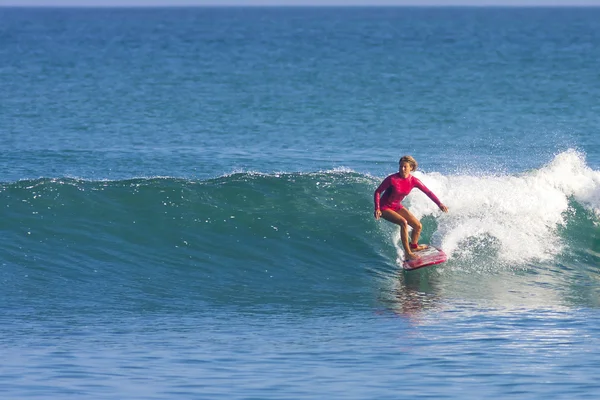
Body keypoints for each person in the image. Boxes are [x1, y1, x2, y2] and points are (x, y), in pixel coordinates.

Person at [374, 155, 448, 260]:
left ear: (411, 168)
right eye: (400, 166)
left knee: (417, 226)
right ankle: (408, 253)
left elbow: (428, 192)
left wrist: (439, 204)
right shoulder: (392, 179)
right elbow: (378, 191)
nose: (402, 169)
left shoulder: (414, 181)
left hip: (396, 206)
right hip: (384, 207)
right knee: (403, 222)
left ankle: (414, 247)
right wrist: (377, 208)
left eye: (405, 167)